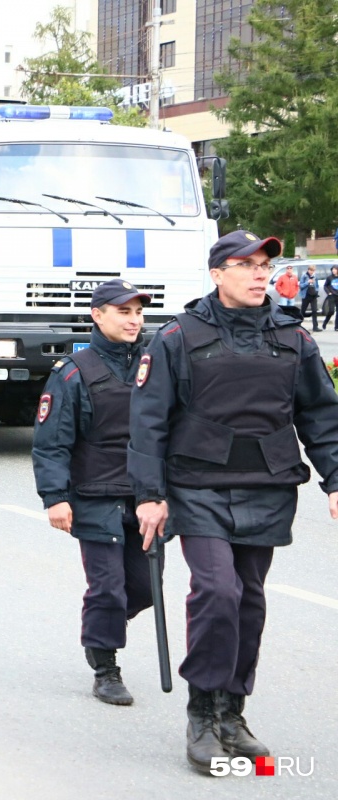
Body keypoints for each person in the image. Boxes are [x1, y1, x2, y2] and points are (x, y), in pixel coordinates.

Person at [128, 230, 338, 775]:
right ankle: (201, 713)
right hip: (196, 485)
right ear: (218, 274)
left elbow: (320, 416)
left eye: (264, 264)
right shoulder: (177, 338)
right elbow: (148, 423)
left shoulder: (295, 339)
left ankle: (232, 712)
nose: (258, 273)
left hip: (266, 485)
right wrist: (149, 495)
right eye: (245, 265)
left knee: (249, 601)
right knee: (218, 590)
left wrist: (336, 479)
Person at [32, 279, 156, 706]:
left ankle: (98, 631)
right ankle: (106, 667)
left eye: (138, 312)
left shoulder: (153, 364)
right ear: (97, 315)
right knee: (108, 587)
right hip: (94, 496)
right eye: (124, 311)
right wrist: (55, 497)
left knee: (144, 589)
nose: (134, 319)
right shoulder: (73, 372)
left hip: (143, 498)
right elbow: (51, 442)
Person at [299, 262, 321, 331]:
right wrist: (307, 282)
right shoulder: (304, 276)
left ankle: (315, 327)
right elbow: (301, 286)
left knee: (314, 311)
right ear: (308, 270)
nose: (312, 272)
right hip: (306, 295)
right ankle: (298, 325)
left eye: (313, 270)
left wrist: (316, 291)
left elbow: (317, 285)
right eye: (311, 270)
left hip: (313, 296)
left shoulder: (315, 276)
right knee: (303, 311)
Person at [322, 265, 338, 330]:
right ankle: (325, 322)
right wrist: (329, 292)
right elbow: (325, 286)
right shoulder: (329, 278)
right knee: (331, 311)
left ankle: (336, 326)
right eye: (332, 269)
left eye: (335, 269)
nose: (333, 270)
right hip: (331, 296)